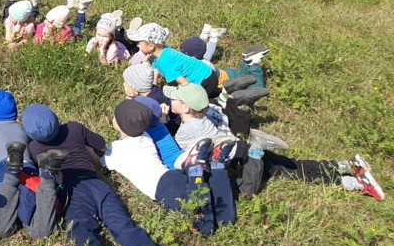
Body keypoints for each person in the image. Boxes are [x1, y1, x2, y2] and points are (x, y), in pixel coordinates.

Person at [22, 104, 202, 246]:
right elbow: (99, 143)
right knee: (124, 226)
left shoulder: (34, 148)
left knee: (80, 225)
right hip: (97, 184)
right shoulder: (73, 127)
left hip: (72, 192)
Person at [165, 83, 385, 200]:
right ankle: (347, 165)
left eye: (174, 98)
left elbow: (185, 154)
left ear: (185, 107)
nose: (170, 99)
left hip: (238, 158)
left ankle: (356, 184)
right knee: (293, 163)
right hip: (240, 145)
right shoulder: (210, 112)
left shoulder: (185, 132)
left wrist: (165, 120)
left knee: (290, 174)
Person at [102, 100, 236, 237]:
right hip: (173, 175)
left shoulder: (116, 149)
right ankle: (216, 167)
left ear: (121, 125)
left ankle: (196, 170)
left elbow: (103, 163)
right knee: (213, 204)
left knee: (204, 226)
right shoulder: (146, 137)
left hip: (165, 189)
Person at [0, 90, 62, 239]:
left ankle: (11, 176)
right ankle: (47, 180)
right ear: (15, 115)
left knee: (1, 229)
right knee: (40, 231)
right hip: (28, 169)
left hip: (0, 168)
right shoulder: (21, 128)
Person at [127, 23, 220, 98]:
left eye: (138, 43)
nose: (137, 45)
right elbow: (155, 69)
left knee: (195, 104)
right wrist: (154, 87)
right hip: (205, 74)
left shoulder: (166, 62)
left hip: (205, 81)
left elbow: (183, 83)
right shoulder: (160, 52)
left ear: (151, 46)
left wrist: (189, 97)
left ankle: (218, 101)